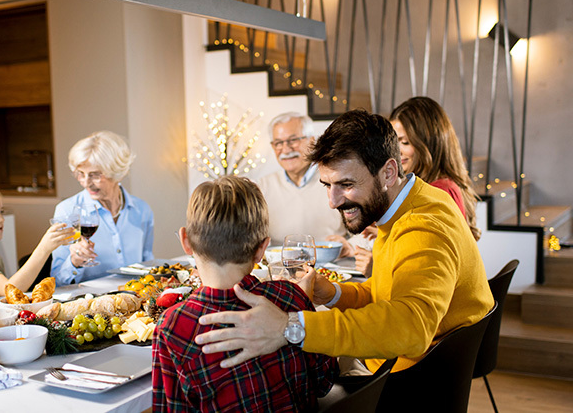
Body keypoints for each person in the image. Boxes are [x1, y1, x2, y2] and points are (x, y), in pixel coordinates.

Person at [194, 110, 494, 377]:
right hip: (411, 363)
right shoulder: (414, 201)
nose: (332, 201)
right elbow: (389, 293)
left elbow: (411, 327)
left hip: (407, 381)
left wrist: (290, 326)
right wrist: (334, 292)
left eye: (346, 185)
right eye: (327, 185)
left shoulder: (422, 226)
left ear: (388, 172)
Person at [153, 175, 337, 412]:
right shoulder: (290, 295)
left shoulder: (172, 326)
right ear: (262, 249)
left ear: (185, 241)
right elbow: (325, 381)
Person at [51, 131, 154, 286]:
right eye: (81, 174)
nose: (86, 182)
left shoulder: (141, 210)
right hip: (91, 302)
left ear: (117, 174)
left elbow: (148, 265)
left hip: (136, 297)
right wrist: (74, 262)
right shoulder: (67, 211)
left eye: (95, 175)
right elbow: (58, 281)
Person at [390, 96, 481, 240]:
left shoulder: (438, 193)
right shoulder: (438, 187)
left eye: (405, 142)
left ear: (429, 145)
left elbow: (424, 257)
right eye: (393, 142)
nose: (395, 151)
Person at [255, 112, 346, 244]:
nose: (286, 149)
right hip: (279, 263)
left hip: (331, 263)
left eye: (293, 140)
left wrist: (350, 245)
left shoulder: (337, 181)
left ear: (312, 141)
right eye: (279, 143)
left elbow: (364, 231)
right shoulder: (262, 187)